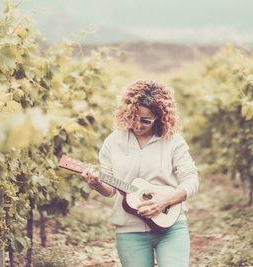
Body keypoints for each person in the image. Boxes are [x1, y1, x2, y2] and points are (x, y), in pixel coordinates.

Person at [81, 80, 199, 267]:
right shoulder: (113, 142)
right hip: (129, 231)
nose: (137, 124)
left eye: (146, 120)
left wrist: (163, 202)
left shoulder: (173, 141)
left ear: (160, 117)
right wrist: (96, 182)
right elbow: (110, 190)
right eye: (134, 117)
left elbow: (191, 180)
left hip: (171, 227)